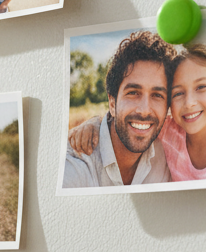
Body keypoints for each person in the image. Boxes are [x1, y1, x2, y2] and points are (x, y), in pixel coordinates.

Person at [68, 42, 206, 181]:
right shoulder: (170, 131)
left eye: (201, 87)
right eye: (178, 93)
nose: (189, 102)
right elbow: (128, 119)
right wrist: (93, 122)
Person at [61, 29, 176, 188]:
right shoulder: (73, 169)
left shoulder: (168, 154)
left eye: (157, 95)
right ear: (113, 104)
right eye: (133, 93)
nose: (144, 110)